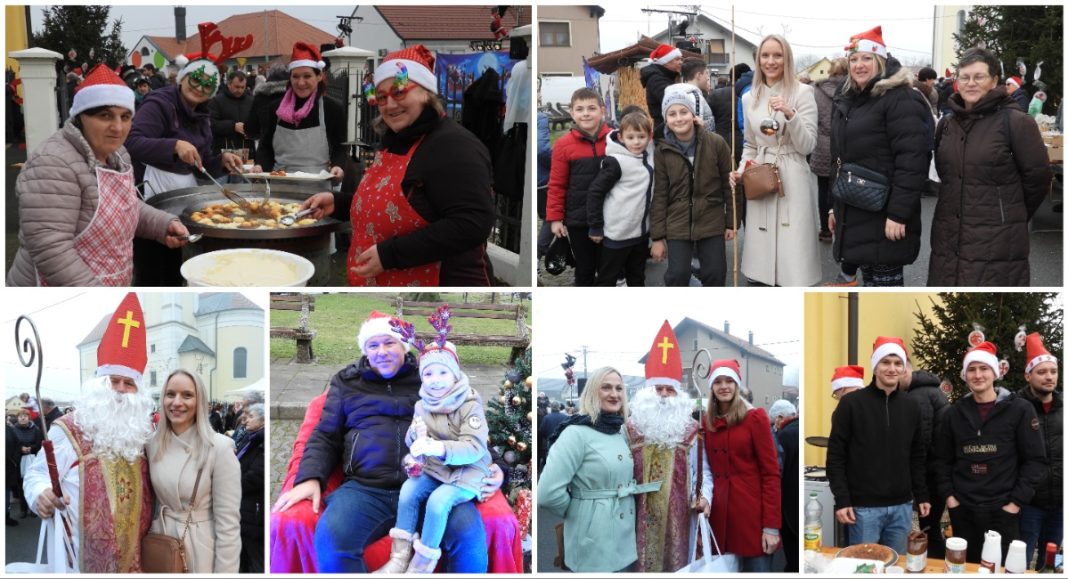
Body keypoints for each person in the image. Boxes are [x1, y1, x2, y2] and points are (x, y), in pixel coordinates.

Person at [272, 311, 500, 573]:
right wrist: (309, 477)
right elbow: (325, 434)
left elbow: (467, 419)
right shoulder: (346, 383)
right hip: (366, 489)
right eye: (373, 345)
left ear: (403, 346)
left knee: (468, 537)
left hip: (434, 483)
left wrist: (494, 466)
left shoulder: (428, 377)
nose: (381, 351)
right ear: (365, 350)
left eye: (389, 343)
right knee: (333, 538)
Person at [303, 45, 496, 286]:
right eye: (381, 97)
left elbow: (472, 224)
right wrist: (338, 203)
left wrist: (389, 255)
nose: (390, 105)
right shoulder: (396, 138)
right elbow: (387, 204)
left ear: (426, 92)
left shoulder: (455, 146)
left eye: (400, 92)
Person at [6, 65, 190, 287]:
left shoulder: (118, 154)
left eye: (125, 117)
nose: (118, 127)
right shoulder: (54, 163)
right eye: (105, 116)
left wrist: (162, 224)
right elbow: (51, 248)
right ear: (82, 116)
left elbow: (124, 205)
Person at [24, 293, 156, 572]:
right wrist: (41, 494)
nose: (120, 389)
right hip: (78, 557)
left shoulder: (144, 433)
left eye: (129, 383)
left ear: (139, 390)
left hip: (135, 554)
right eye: (113, 381)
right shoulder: (69, 429)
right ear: (99, 385)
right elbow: (37, 474)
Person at [126, 29, 246, 286]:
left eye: (207, 85)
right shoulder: (159, 103)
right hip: (150, 198)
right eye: (195, 80)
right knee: (156, 270)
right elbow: (131, 142)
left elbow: (200, 162)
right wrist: (174, 145)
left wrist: (221, 160)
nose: (199, 88)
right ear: (182, 78)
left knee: (183, 265)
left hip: (184, 199)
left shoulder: (202, 115)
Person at [927, 47, 1053, 286]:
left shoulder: (1016, 122)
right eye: (964, 77)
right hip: (948, 234)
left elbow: (1037, 178)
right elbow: (947, 174)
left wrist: (1009, 212)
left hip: (997, 239)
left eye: (979, 76)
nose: (970, 83)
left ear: (994, 80)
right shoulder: (946, 123)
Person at [374, 334, 492, 574]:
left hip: (467, 471)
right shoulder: (422, 404)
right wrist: (416, 437)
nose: (435, 381)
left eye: (442, 373)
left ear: (455, 374)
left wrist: (437, 448)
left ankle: (421, 564)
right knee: (408, 491)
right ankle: (399, 558)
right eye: (428, 374)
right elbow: (414, 436)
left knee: (438, 502)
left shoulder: (469, 405)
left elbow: (474, 447)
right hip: (436, 468)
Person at [828, 26, 931, 287]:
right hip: (856, 206)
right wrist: (835, 206)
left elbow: (913, 160)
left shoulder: (901, 99)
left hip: (885, 210)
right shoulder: (850, 98)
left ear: (880, 61)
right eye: (853, 59)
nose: (859, 65)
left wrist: (898, 214)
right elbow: (839, 158)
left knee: (885, 284)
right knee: (870, 283)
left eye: (866, 59)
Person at [934, 341, 1047, 564]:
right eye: (972, 369)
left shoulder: (1019, 410)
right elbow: (941, 460)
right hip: (963, 510)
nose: (978, 375)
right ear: (965, 375)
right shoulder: (953, 414)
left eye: (984, 368)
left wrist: (1014, 504)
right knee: (964, 568)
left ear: (995, 372)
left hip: (1003, 512)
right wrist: (951, 499)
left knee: (1001, 568)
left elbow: (1035, 461)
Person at [539, 366, 656, 572]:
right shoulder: (575, 434)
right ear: (593, 392)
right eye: (606, 387)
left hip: (625, 534)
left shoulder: (620, 431)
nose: (614, 394)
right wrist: (582, 511)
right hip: (593, 538)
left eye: (619, 388)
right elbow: (547, 493)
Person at [731, 34, 820, 287]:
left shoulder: (803, 93)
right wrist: (741, 171)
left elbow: (807, 145)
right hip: (761, 174)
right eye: (765, 55)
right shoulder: (749, 97)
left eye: (777, 55)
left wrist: (791, 114)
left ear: (787, 58)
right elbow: (750, 144)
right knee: (762, 243)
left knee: (794, 248)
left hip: (793, 173)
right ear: (758, 60)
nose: (771, 61)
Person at [826, 337, 929, 555]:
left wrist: (922, 495)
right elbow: (836, 455)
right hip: (863, 509)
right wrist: (842, 499)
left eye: (897, 363)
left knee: (896, 565)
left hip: (901, 506)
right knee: (863, 565)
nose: (892, 368)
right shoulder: (851, 404)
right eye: (885, 362)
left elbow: (917, 455)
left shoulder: (912, 406)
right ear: (875, 366)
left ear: (903, 368)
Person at [625, 321, 707, 572]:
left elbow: (704, 473)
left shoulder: (691, 430)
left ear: (678, 395)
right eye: (657, 388)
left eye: (669, 390)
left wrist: (704, 496)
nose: (662, 394)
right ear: (646, 392)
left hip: (679, 517)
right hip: (636, 514)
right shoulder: (630, 428)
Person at [148, 369, 241, 573]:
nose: (177, 402)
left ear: (199, 401)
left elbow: (229, 525)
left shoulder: (219, 448)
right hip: (159, 544)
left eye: (187, 395)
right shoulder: (151, 445)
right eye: (170, 394)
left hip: (200, 550)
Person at [652, 84, 736, 287]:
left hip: (711, 220)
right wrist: (657, 237)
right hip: (677, 223)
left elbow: (731, 185)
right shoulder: (662, 151)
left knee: (715, 274)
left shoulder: (715, 143)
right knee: (678, 275)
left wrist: (731, 221)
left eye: (683, 112)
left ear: (693, 114)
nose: (679, 118)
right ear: (666, 119)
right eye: (672, 114)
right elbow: (660, 194)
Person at [702, 359, 780, 572]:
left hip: (752, 518)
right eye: (718, 382)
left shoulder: (755, 418)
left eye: (729, 380)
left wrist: (771, 527)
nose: (724, 386)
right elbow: (705, 470)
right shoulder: (707, 423)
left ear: (737, 385)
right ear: (712, 387)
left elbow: (771, 474)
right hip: (720, 518)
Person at [246, 42, 345, 178]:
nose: (300, 82)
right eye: (295, 76)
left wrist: (338, 165)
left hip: (318, 185)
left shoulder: (332, 109)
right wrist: (259, 165)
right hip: (280, 184)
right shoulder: (275, 108)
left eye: (307, 76)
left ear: (319, 76)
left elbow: (340, 147)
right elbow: (266, 146)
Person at [545, 87, 610, 286]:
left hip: (611, 216)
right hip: (578, 219)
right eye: (580, 109)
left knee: (609, 269)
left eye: (591, 108)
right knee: (584, 270)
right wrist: (555, 218)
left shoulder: (615, 139)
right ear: (572, 113)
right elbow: (557, 184)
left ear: (602, 110)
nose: (586, 113)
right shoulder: (563, 145)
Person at [586, 110, 655, 287]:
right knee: (607, 279)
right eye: (631, 137)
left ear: (649, 137)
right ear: (622, 137)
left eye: (641, 136)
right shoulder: (616, 162)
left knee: (637, 277)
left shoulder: (649, 154)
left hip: (640, 234)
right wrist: (595, 226)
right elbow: (595, 192)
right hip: (617, 235)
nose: (637, 142)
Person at [1016, 333, 1062, 571]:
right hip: (1028, 504)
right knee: (1018, 562)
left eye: (1053, 371)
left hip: (1060, 504)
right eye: (1042, 372)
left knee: (1050, 564)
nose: (1049, 377)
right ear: (1028, 375)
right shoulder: (1015, 408)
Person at [898, 363, 950, 559]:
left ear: (906, 371)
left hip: (931, 474)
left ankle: (934, 564)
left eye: (898, 370)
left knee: (929, 527)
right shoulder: (931, 391)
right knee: (932, 525)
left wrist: (918, 486)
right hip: (937, 471)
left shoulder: (918, 396)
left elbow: (922, 444)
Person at [811, 59, 848, 245]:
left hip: (822, 144)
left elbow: (813, 119)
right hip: (845, 143)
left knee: (823, 188)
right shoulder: (851, 88)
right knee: (844, 187)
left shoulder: (817, 90)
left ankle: (825, 230)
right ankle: (842, 227)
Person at [238, 402, 266, 573]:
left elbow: (255, 477)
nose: (245, 420)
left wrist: (229, 484)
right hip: (244, 508)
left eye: (250, 416)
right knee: (244, 556)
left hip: (253, 511)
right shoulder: (251, 437)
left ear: (263, 420)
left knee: (255, 558)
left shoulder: (260, 441)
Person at [774, 399, 799, 573]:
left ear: (780, 418)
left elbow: (778, 473)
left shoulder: (783, 435)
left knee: (793, 559)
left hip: (789, 508)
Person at [209, 70, 255, 162]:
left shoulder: (251, 101)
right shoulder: (216, 101)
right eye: (237, 87)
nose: (240, 90)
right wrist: (233, 126)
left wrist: (251, 132)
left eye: (243, 87)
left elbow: (258, 124)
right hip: (223, 153)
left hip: (246, 154)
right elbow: (211, 124)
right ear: (229, 84)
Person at [641, 44, 683, 130]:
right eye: (677, 59)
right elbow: (673, 100)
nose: (680, 62)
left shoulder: (668, 76)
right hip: (664, 127)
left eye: (681, 59)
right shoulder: (656, 79)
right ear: (666, 62)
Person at [12, 408, 43, 516]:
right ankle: (23, 509)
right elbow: (12, 444)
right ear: (17, 418)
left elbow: (39, 443)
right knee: (21, 485)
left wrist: (31, 448)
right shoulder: (13, 430)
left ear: (29, 417)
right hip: (19, 460)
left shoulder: (36, 429)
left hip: (33, 459)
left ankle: (33, 508)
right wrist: (21, 448)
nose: (23, 418)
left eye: (25, 416)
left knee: (34, 484)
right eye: (20, 416)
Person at [680, 58, 715, 133]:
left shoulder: (682, 93)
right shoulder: (695, 97)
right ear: (699, 75)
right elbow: (697, 127)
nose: (707, 77)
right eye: (706, 73)